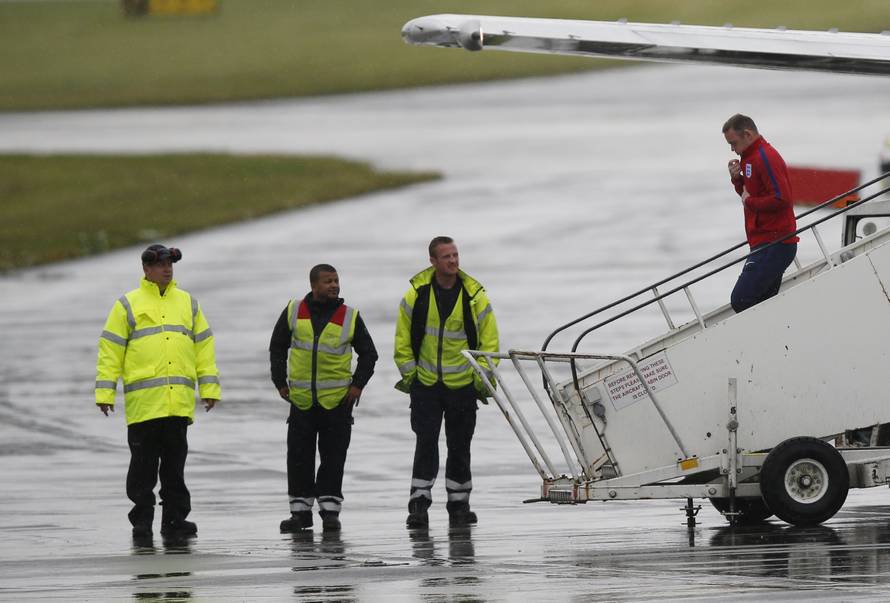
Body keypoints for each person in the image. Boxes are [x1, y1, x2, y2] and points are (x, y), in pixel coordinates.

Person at [95, 244, 220, 539]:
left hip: (177, 404)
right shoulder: (127, 304)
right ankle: (142, 521)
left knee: (175, 468)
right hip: (145, 406)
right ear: (146, 269)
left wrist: (209, 388)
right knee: (143, 468)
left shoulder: (187, 303)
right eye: (161, 265)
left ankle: (175, 520)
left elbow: (203, 347)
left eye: (170, 265)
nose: (167, 269)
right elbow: (110, 350)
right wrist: (105, 393)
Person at [394, 236, 499, 528]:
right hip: (426, 385)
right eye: (446, 256)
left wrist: (481, 378)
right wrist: (411, 376)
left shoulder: (475, 296)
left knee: (460, 446)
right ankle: (418, 505)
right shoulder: (416, 295)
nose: (453, 261)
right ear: (433, 261)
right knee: (425, 444)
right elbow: (402, 339)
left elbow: (489, 342)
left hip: (463, 386)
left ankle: (459, 505)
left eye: (455, 255)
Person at [269, 264, 378, 533]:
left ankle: (330, 513)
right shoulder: (294, 310)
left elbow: (369, 354)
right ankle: (300, 514)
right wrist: (280, 382)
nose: (334, 285)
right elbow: (277, 347)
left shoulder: (349, 316)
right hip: (302, 402)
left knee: (333, 458)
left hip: (337, 403)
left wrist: (357, 386)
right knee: (299, 458)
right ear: (313, 285)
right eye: (328, 281)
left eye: (336, 280)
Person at [723, 113, 798, 313]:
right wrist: (737, 180)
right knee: (762, 303)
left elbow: (782, 199)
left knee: (741, 300)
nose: (732, 149)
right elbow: (750, 195)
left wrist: (749, 201)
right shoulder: (748, 159)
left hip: (776, 242)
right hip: (763, 242)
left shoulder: (766, 157)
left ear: (747, 134)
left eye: (733, 143)